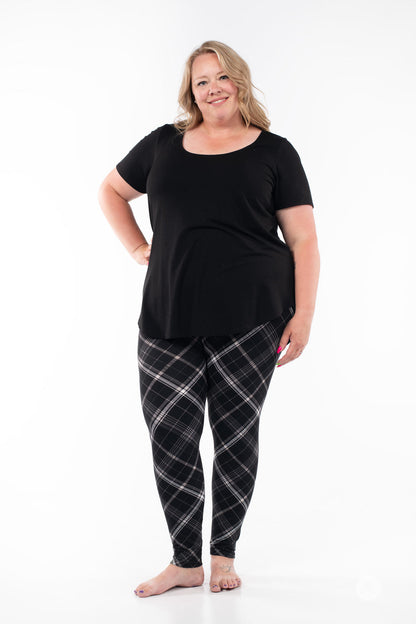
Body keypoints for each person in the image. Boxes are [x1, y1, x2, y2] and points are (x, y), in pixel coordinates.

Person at [97, 40, 320, 598]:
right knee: (170, 438)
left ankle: (222, 556)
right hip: (167, 314)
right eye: (202, 81)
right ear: (190, 92)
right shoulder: (162, 145)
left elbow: (304, 239)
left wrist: (304, 317)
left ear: (240, 81)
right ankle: (184, 562)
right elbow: (111, 191)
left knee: (235, 437)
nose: (214, 88)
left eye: (222, 77)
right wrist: (138, 248)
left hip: (252, 318)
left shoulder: (275, 153)